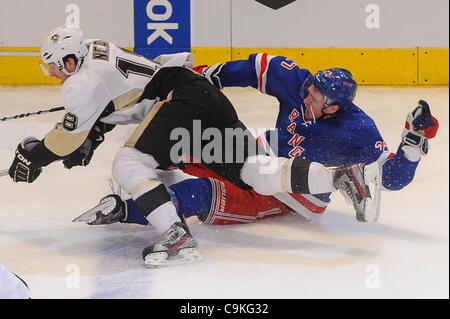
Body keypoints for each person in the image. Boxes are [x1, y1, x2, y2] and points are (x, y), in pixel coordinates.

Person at [7, 27, 370, 267]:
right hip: (199, 94)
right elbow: (112, 100)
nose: (53, 74)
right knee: (251, 170)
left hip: (177, 101)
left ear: (70, 61)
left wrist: (33, 156)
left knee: (130, 163)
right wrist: (92, 135)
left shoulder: (79, 84)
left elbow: (66, 137)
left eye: (54, 67)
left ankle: (175, 236)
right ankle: (336, 178)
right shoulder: (96, 50)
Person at [79, 53, 439, 229]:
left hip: (293, 196)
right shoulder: (301, 86)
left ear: (333, 108)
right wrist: (207, 77)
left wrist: (411, 143)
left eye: (315, 99)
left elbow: (390, 178)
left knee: (204, 193)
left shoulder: (357, 129)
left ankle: (127, 211)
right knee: (183, 141)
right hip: (265, 152)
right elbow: (258, 67)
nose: (306, 98)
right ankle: (149, 179)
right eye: (308, 91)